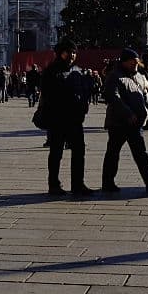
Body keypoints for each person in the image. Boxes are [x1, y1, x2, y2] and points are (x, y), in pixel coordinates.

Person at [101, 48, 148, 193]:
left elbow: (144, 94)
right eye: (132, 62)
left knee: (141, 153)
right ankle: (108, 183)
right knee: (113, 153)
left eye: (137, 62)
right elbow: (112, 96)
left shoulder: (138, 76)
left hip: (136, 122)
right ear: (124, 62)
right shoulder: (115, 76)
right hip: (119, 122)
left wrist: (147, 111)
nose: (135, 64)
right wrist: (128, 113)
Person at [40, 38, 95, 197]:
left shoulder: (77, 71)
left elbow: (84, 91)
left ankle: (78, 184)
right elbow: (48, 95)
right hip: (58, 118)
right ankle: (54, 184)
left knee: (79, 151)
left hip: (75, 119)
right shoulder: (51, 71)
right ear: (60, 53)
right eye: (68, 52)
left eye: (74, 52)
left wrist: (83, 106)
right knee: (56, 152)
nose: (72, 55)